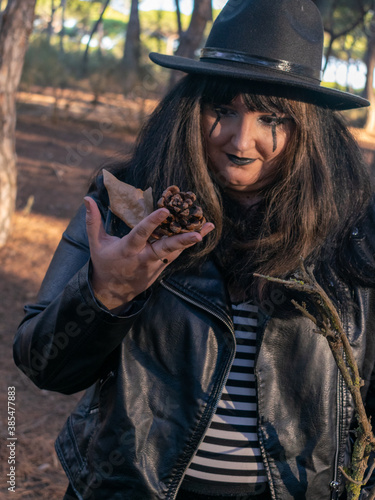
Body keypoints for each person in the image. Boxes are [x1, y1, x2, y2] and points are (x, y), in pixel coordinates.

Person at [13, 0, 375, 498]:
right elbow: (44, 366)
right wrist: (106, 294)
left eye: (272, 118)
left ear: (308, 129)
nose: (240, 140)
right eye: (222, 110)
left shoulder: (356, 230)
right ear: (190, 107)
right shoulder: (126, 204)